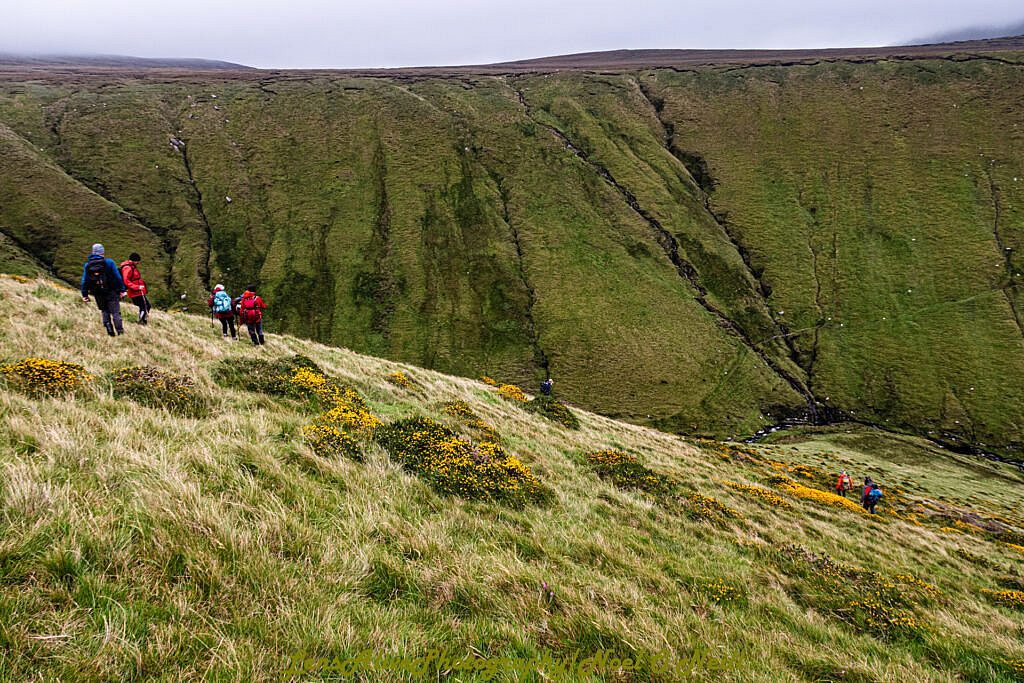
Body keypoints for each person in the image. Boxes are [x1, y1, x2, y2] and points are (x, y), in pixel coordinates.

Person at [80, 243, 127, 336]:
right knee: (115, 312)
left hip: (97, 293)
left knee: (104, 311)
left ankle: (110, 331)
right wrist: (122, 290)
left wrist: (85, 295)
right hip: (111, 291)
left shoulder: (87, 265)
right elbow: (118, 277)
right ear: (102, 252)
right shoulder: (109, 262)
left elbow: (84, 281)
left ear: (93, 252)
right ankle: (120, 333)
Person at [119, 252, 151, 325]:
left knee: (145, 306)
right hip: (135, 291)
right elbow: (126, 281)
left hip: (138, 291)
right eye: (137, 261)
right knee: (145, 306)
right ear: (134, 260)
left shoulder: (131, 266)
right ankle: (141, 322)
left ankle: (143, 321)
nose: (138, 263)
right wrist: (137, 287)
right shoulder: (128, 268)